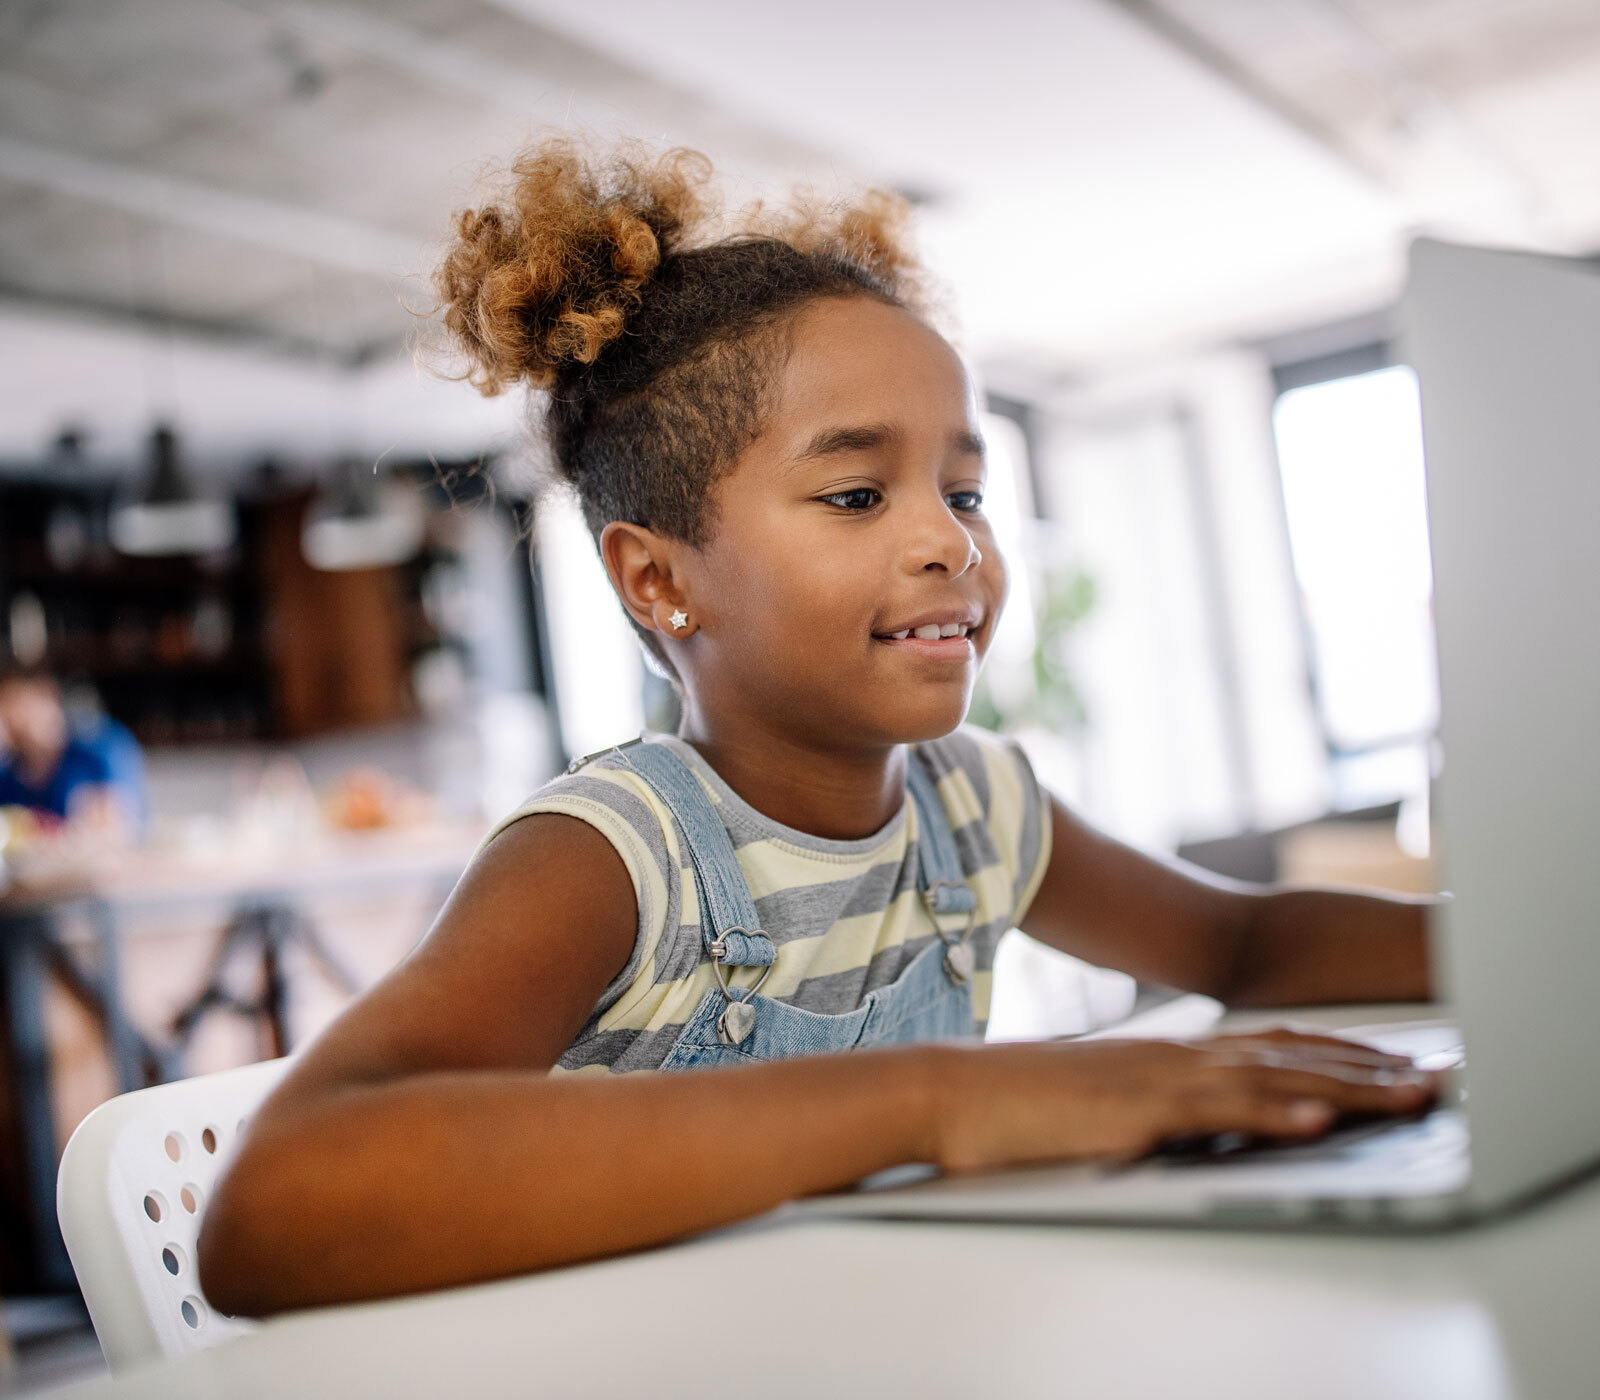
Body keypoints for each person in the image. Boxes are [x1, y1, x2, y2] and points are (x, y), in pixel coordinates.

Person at [199, 141, 1439, 1316]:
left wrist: (1552, 949)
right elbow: (272, 1205)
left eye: (965, 490)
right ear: (656, 580)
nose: (951, 539)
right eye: (857, 493)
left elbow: (1242, 940)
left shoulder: (972, 805)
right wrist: (934, 1099)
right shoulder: (614, 855)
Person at [0, 669, 145, 835]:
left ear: (47, 695)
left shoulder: (97, 748)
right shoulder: (8, 774)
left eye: (20, 705)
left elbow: (118, 828)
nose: (16, 720)